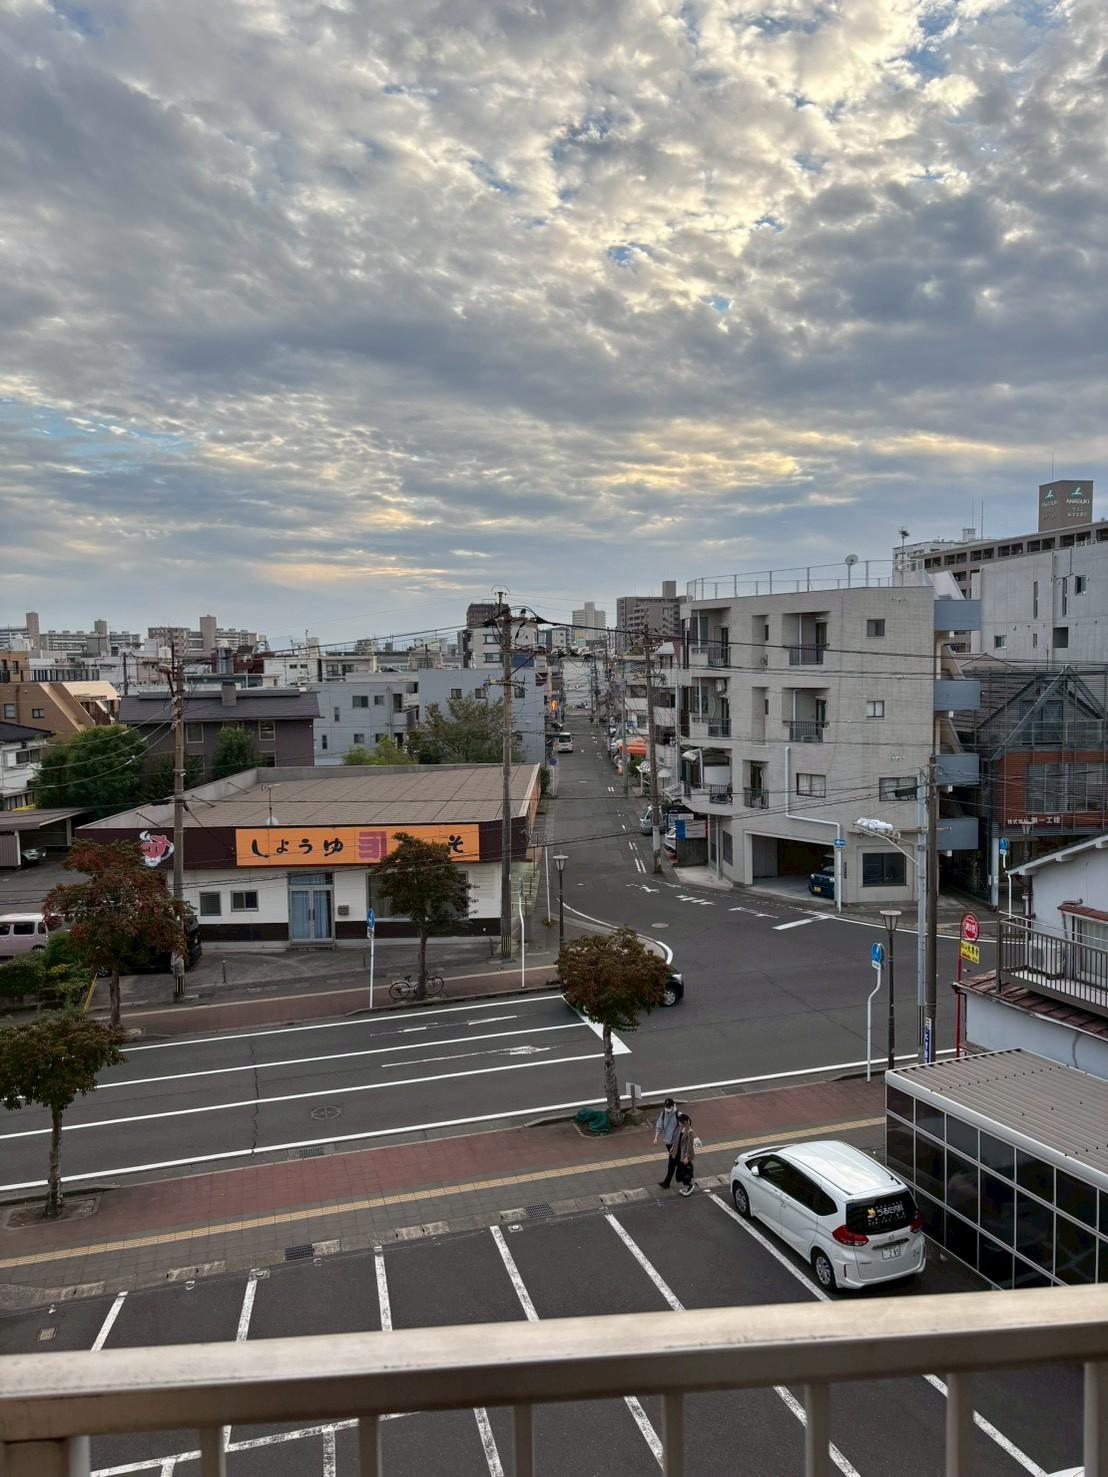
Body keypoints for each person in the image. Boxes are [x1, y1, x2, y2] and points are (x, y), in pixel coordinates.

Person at [654, 1098, 680, 1187]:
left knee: (673, 1162)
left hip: (675, 1143)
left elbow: (682, 1130)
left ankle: (668, 1182)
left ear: (673, 1106)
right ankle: (668, 1182)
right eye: (666, 1107)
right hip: (668, 1143)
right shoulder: (663, 1113)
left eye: (669, 1107)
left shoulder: (678, 1115)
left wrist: (675, 1144)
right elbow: (659, 1125)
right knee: (675, 1161)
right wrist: (656, 1137)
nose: (667, 1109)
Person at [675, 1112, 697, 1196]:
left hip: (685, 1154)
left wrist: (686, 1157)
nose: (679, 1123)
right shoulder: (682, 1127)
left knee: (685, 1171)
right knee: (681, 1170)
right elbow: (678, 1139)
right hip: (680, 1152)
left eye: (680, 1121)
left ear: (684, 1121)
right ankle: (687, 1185)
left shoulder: (689, 1131)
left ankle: (690, 1185)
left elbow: (689, 1145)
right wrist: (673, 1147)